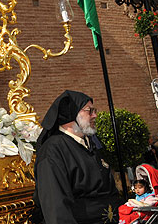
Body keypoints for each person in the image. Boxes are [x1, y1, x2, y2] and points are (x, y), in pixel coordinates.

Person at [33, 90, 121, 224]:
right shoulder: (53, 150)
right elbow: (56, 206)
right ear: (72, 114)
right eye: (89, 111)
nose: (95, 115)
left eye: (94, 110)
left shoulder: (90, 144)